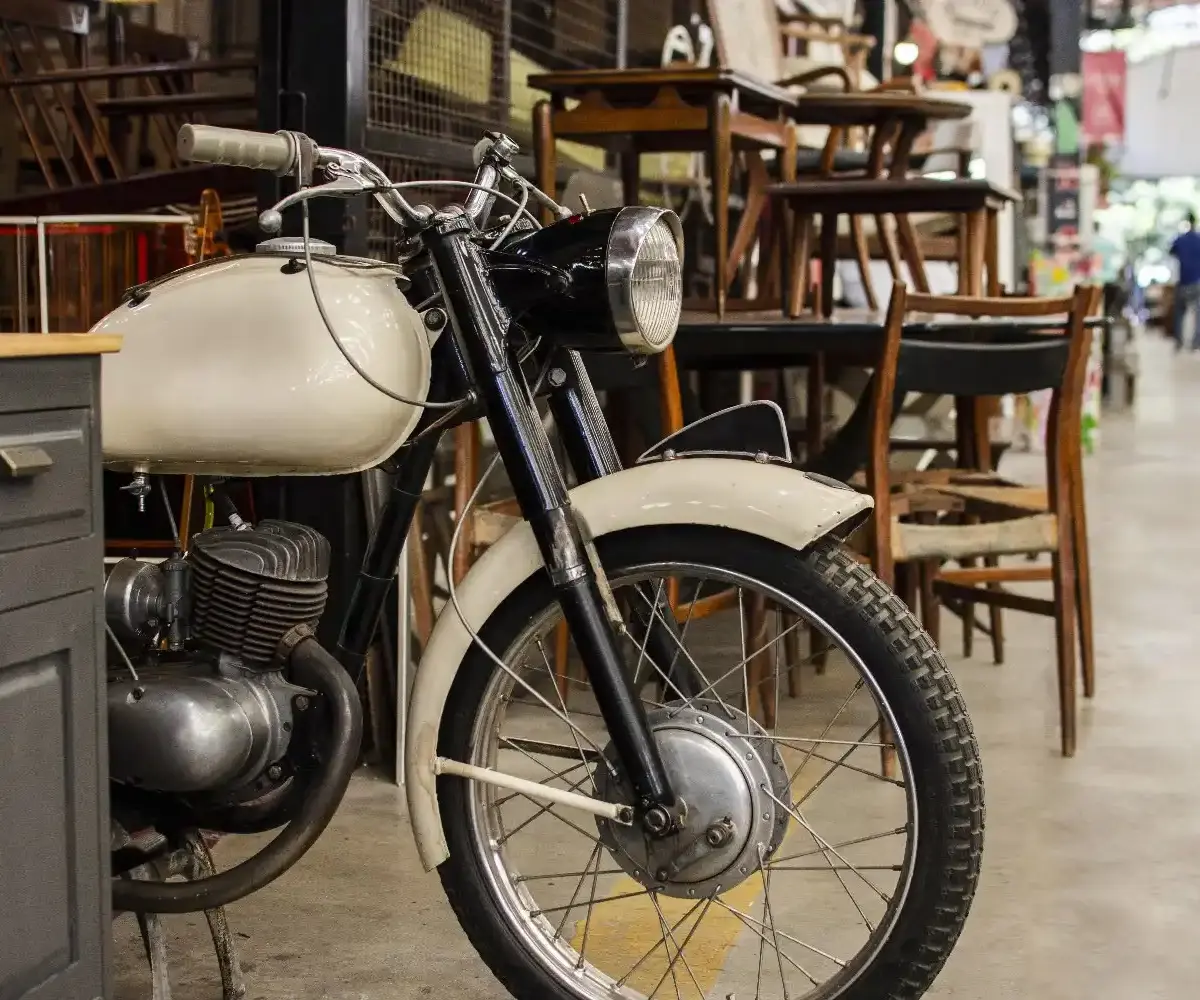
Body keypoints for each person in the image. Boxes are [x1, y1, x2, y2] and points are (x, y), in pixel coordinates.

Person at [1169, 213, 1200, 351]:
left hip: (1183, 280)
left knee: (1179, 314)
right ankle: (1196, 342)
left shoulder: (1180, 239)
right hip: (1197, 281)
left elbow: (1171, 252)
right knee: (1198, 314)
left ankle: (1179, 342)